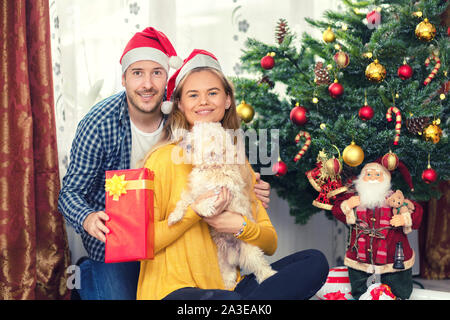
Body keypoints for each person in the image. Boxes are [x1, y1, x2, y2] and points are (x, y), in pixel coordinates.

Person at [58, 28, 271, 300]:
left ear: (166, 78)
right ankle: (88, 272)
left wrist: (249, 190)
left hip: (171, 239)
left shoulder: (185, 113)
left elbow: (218, 161)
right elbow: (70, 193)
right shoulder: (99, 123)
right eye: (137, 73)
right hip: (117, 242)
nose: (147, 84)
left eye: (156, 73)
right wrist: (86, 218)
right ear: (123, 78)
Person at [136, 49, 329, 300]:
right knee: (231, 302)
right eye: (193, 95)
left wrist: (241, 227)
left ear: (227, 100)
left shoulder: (238, 162)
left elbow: (270, 243)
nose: (203, 101)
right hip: (173, 293)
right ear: (180, 105)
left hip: (229, 289)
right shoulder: (161, 159)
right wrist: (195, 211)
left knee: (314, 262)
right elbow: (141, 243)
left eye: (213, 93)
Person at [331, 162, 423, 299]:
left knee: (399, 287)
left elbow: (416, 212)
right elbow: (337, 210)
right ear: (362, 179)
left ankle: (398, 295)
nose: (373, 177)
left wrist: (405, 219)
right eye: (368, 174)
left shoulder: (394, 199)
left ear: (386, 179)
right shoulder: (355, 199)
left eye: (377, 175)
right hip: (359, 253)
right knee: (358, 285)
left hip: (393, 253)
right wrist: (348, 205)